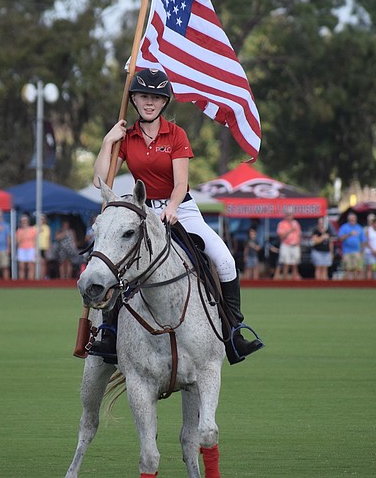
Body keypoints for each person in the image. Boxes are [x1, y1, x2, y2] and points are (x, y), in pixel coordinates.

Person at [90, 68, 263, 364]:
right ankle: (110, 332)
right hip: (142, 210)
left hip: (180, 208)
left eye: (156, 97)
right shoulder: (126, 137)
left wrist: (171, 207)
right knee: (117, 265)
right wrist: (108, 141)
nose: (149, 102)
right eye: (143, 96)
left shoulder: (176, 134)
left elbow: (181, 183)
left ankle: (234, 330)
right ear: (133, 99)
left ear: (164, 102)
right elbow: (100, 181)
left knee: (224, 260)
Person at [274, 211, 302, 281]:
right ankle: (285, 280)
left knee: (295, 263)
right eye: (288, 215)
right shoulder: (282, 224)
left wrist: (298, 245)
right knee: (286, 263)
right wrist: (290, 230)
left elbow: (299, 235)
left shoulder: (296, 223)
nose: (290, 217)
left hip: (295, 246)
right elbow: (281, 236)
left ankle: (295, 280)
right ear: (285, 216)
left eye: (291, 215)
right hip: (286, 245)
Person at [338, 213, 364, 280]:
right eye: (351, 219)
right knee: (347, 268)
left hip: (357, 251)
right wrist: (349, 234)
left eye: (353, 219)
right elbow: (340, 238)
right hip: (347, 251)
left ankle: (355, 283)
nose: (352, 221)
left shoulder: (359, 228)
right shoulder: (344, 227)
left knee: (356, 268)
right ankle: (347, 283)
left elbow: (363, 240)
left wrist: (362, 251)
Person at [15, 214, 36, 280]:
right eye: (23, 220)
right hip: (21, 249)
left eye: (25, 220)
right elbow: (18, 241)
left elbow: (35, 240)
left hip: (31, 249)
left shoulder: (32, 229)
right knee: (21, 267)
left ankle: (30, 282)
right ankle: (22, 282)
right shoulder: (19, 231)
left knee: (31, 266)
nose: (24, 222)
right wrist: (24, 231)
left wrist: (35, 251)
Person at [38, 214, 51, 279]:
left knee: (43, 263)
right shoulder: (35, 227)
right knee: (37, 263)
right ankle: (37, 277)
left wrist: (48, 248)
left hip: (44, 247)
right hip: (36, 248)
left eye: (42, 219)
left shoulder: (47, 228)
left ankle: (42, 277)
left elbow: (48, 238)